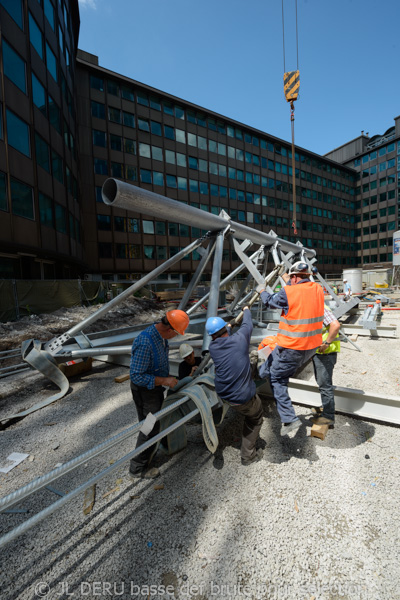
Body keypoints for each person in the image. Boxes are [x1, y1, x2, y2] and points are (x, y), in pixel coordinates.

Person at [257, 261, 324, 435]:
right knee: (271, 366)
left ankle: (289, 419)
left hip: (292, 347)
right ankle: (262, 373)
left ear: (294, 277)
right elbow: (297, 290)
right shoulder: (317, 288)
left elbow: (271, 302)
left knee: (278, 380)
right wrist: (285, 276)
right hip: (310, 347)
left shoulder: (288, 291)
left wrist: (261, 291)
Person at [129, 309, 189, 479]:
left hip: (154, 390)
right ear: (169, 329)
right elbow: (136, 376)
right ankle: (137, 468)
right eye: (176, 334)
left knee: (154, 422)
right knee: (149, 427)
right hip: (145, 392)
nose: (175, 337)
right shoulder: (145, 342)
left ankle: (150, 451)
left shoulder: (161, 338)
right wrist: (164, 381)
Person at [206, 308, 264, 466]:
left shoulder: (213, 348)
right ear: (224, 329)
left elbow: (224, 338)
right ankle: (248, 456)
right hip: (242, 397)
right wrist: (246, 310)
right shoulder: (240, 339)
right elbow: (247, 324)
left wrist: (229, 327)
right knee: (256, 418)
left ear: (212, 336)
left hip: (224, 394)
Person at [311, 305, 341, 427]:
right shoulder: (314, 307)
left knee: (325, 386)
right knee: (322, 383)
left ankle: (328, 418)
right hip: (319, 353)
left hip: (326, 353)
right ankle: (327, 410)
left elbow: (335, 325)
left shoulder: (320, 308)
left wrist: (327, 343)